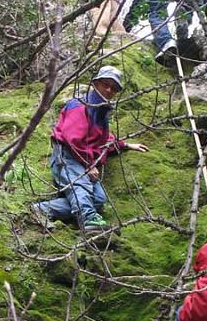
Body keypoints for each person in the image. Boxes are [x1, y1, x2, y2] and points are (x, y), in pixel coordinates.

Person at [32, 65, 148, 232]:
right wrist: (89, 165)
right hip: (67, 157)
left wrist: (126, 145)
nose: (109, 90)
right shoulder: (80, 105)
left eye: (113, 88)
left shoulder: (101, 112)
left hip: (82, 161)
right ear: (95, 83)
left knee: (98, 199)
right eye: (105, 84)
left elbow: (103, 141)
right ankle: (89, 221)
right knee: (82, 186)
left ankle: (42, 209)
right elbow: (73, 139)